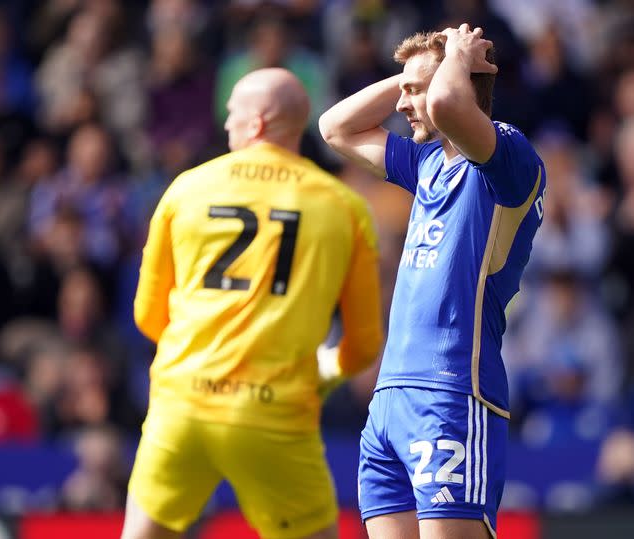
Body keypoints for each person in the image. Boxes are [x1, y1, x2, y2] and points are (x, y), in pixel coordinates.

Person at [121, 68, 383, 539]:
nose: (225, 126)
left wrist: (207, 361)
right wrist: (320, 375)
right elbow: (364, 346)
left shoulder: (186, 189)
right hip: (275, 413)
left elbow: (147, 315)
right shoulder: (343, 206)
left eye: (231, 114)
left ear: (257, 122)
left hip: (182, 404)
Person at [319, 24, 546, 538]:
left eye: (414, 90)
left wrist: (455, 61)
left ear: (461, 81)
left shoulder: (508, 157)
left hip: (451, 391)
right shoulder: (426, 163)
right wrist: (409, 76)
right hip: (389, 399)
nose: (403, 104)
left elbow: (446, 105)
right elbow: (335, 128)